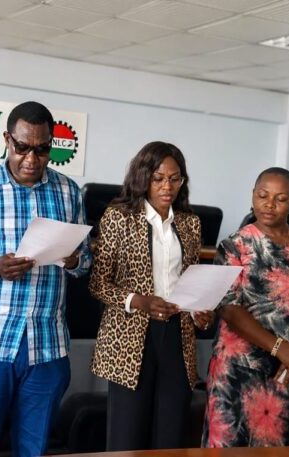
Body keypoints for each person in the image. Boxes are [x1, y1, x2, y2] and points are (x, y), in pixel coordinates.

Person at [0, 101, 92, 457]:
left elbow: (84, 261)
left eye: (42, 149)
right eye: (22, 147)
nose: (32, 159)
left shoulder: (69, 192)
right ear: (7, 139)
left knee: (34, 449)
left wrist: (74, 259)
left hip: (47, 344)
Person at [201, 167, 289, 447]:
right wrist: (280, 348)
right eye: (263, 195)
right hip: (239, 372)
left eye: (280, 198)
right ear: (253, 195)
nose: (269, 204)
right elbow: (229, 307)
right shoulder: (234, 247)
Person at [89, 141, 214, 450]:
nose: (167, 187)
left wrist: (200, 311)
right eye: (158, 179)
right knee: (126, 438)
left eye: (174, 178)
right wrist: (138, 301)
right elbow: (98, 283)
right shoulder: (118, 217)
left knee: (169, 437)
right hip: (129, 338)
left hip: (177, 336)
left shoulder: (190, 223)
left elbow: (191, 281)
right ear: (143, 177)